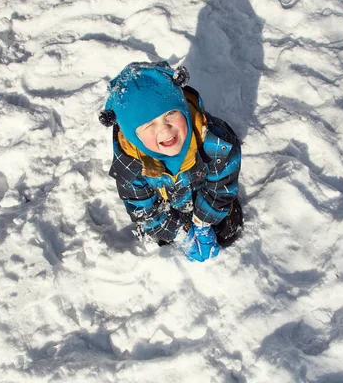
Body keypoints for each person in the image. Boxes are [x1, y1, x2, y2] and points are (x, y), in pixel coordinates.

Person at [99, 61, 243, 262]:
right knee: (161, 236)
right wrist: (180, 233)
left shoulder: (214, 142)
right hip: (166, 203)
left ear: (182, 106)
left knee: (227, 228)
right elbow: (141, 206)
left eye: (170, 113)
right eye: (149, 125)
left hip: (202, 191)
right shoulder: (131, 162)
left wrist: (203, 222)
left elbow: (222, 185)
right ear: (133, 136)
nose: (165, 130)